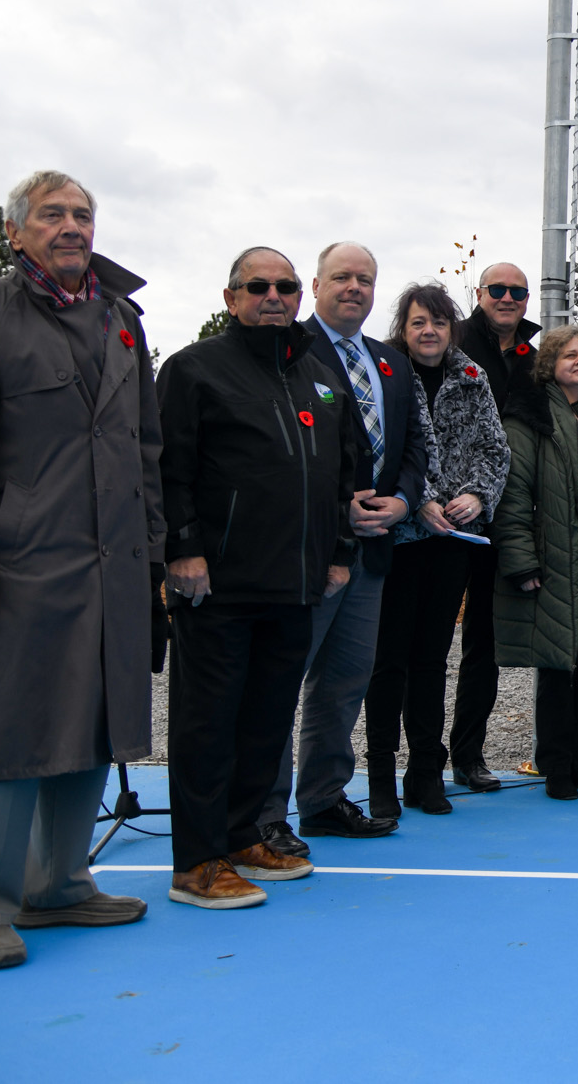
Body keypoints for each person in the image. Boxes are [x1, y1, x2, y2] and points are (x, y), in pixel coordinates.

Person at [0, 172, 163, 969]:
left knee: (89, 726)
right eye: (51, 215)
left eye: (82, 214)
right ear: (15, 231)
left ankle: (57, 884)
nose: (71, 227)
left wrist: (151, 553)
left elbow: (144, 450)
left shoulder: (121, 318)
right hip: (12, 567)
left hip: (108, 569)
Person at [158, 247, 359, 908]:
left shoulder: (318, 375)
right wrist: (183, 550)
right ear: (230, 296)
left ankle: (244, 836)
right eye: (258, 285)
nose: (274, 295)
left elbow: (341, 473)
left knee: (266, 719)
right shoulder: (194, 369)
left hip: (295, 582)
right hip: (219, 583)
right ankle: (196, 861)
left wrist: (337, 552)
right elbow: (173, 469)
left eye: (286, 285)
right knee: (206, 722)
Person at [256, 242, 426, 853]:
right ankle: (263, 815)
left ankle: (324, 800)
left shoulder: (391, 363)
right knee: (280, 681)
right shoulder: (286, 350)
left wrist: (404, 501)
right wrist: (336, 509)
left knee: (344, 682)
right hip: (308, 550)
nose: (354, 287)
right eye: (342, 277)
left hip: (374, 549)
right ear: (317, 285)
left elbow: (413, 447)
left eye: (366, 279)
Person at [363, 283, 510, 817]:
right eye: (419, 322)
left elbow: (495, 449)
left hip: (452, 541)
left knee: (431, 659)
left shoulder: (472, 379)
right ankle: (380, 773)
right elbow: (378, 448)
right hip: (399, 537)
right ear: (404, 328)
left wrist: (476, 495)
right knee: (389, 660)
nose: (429, 331)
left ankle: (425, 772)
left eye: (439, 323)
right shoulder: (381, 375)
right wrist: (416, 499)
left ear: (453, 328)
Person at [492, 327, 578, 801]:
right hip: (553, 564)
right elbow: (512, 496)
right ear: (551, 363)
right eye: (570, 354)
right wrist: (521, 561)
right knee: (557, 666)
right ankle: (556, 765)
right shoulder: (530, 417)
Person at [452, 261, 541, 787]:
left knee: (484, 644)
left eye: (518, 292)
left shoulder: (535, 355)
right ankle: (409, 763)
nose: (508, 298)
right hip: (448, 514)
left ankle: (468, 756)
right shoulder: (453, 339)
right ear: (480, 293)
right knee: (422, 644)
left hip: (502, 519)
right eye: (498, 290)